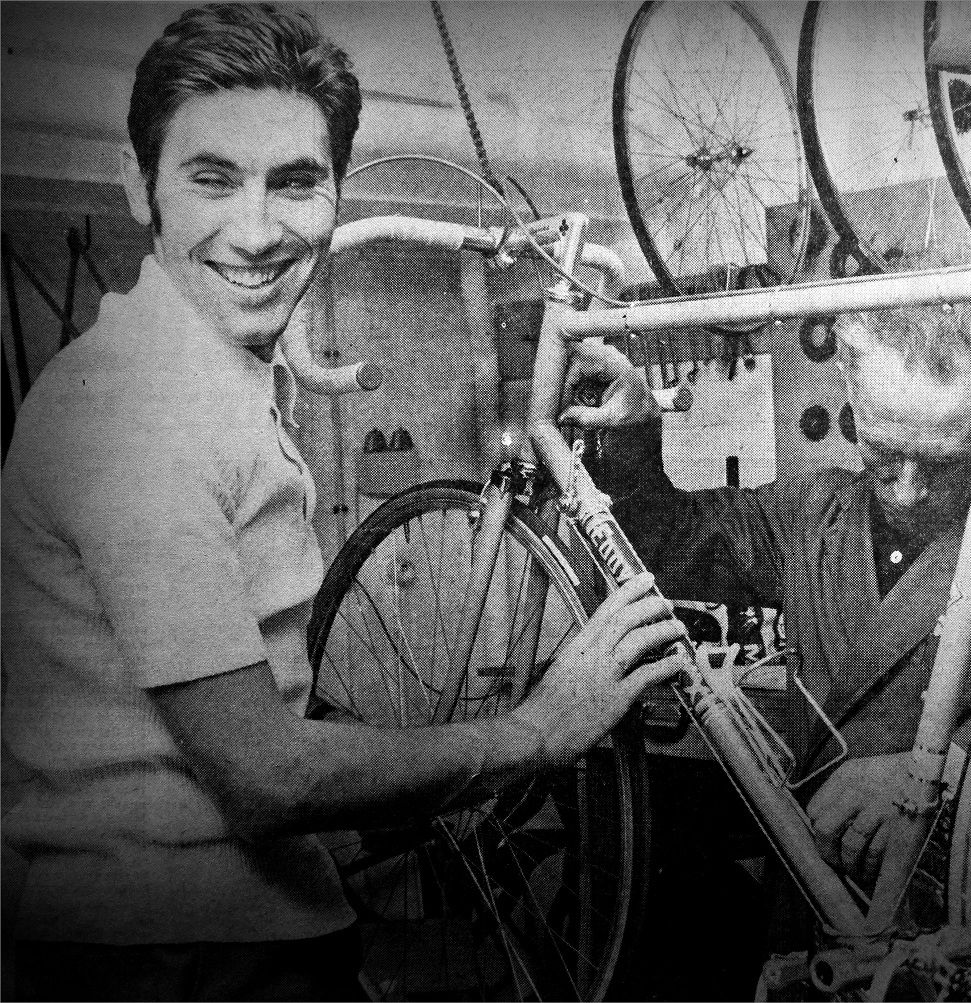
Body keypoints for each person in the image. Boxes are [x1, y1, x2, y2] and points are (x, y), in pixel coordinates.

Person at [0, 5, 686, 999]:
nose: (259, 229)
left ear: (334, 192)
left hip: (224, 929)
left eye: (295, 182)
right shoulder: (137, 416)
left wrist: (285, 360)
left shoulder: (191, 369)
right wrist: (536, 730)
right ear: (134, 184)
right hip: (176, 954)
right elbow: (265, 772)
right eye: (212, 178)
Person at [562, 282, 971, 897]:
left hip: (966, 924)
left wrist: (952, 773)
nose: (907, 491)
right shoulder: (814, 512)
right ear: (852, 401)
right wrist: (637, 437)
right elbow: (667, 546)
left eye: (946, 463)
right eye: (885, 454)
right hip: (818, 911)